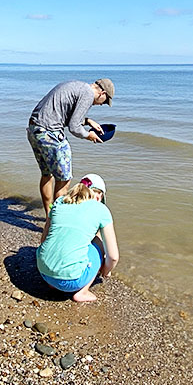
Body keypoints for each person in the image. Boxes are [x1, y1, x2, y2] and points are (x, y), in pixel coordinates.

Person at [27, 78, 114, 216]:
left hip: (34, 130)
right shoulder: (87, 94)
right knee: (64, 180)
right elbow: (74, 127)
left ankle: (50, 216)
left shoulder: (76, 86)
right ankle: (58, 220)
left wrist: (88, 121)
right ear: (102, 93)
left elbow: (63, 117)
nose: (100, 105)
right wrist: (88, 135)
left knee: (47, 175)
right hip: (50, 133)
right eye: (104, 102)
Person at [36, 173, 118, 303]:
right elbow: (113, 256)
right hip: (72, 281)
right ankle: (82, 292)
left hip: (44, 272)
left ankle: (54, 282)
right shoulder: (101, 210)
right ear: (99, 196)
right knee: (99, 243)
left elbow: (43, 239)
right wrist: (106, 270)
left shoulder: (59, 201)